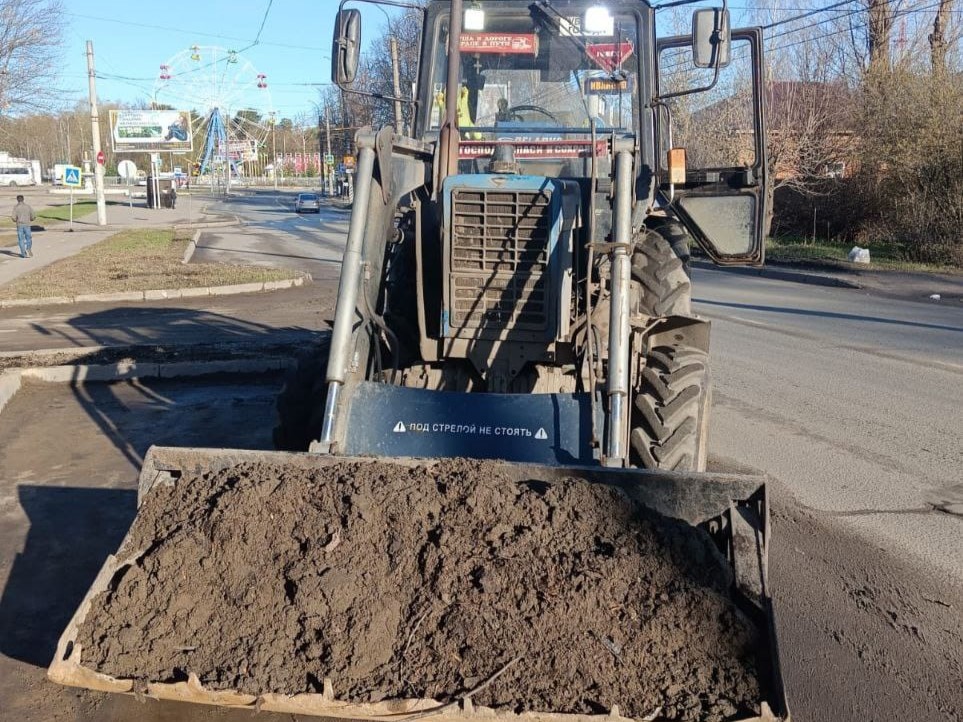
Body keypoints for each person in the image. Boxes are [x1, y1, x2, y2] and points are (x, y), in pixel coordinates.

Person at [11, 194, 35, 259]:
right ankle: (28, 248)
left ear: (17, 200)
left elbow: (13, 218)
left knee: (21, 239)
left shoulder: (15, 207)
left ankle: (23, 253)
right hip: (27, 225)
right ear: (23, 199)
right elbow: (33, 216)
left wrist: (15, 219)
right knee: (29, 238)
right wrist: (31, 219)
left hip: (19, 225)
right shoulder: (28, 206)